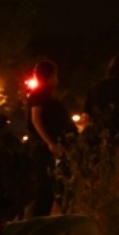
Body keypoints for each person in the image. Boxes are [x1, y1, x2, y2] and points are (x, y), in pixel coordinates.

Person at [25, 59, 78, 217]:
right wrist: (50, 143)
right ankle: (36, 222)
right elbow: (36, 119)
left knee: (50, 187)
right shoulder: (40, 94)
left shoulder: (44, 94)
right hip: (43, 147)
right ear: (51, 76)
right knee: (44, 189)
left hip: (47, 146)